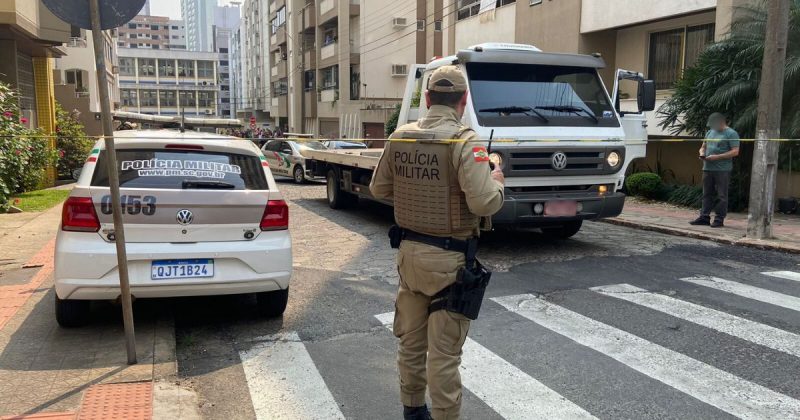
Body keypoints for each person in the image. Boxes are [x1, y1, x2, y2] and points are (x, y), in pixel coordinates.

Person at [369, 65, 505, 420]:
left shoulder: (400, 136)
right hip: (451, 263)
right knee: (443, 356)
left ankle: (413, 412)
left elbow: (378, 189)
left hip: (409, 259)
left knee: (411, 346)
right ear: (463, 101)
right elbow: (484, 203)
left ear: (427, 98)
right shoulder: (466, 141)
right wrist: (498, 181)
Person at [690, 112, 740, 228]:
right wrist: (702, 153)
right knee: (706, 194)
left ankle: (719, 219)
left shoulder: (731, 133)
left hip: (722, 169)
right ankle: (704, 217)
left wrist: (717, 157)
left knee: (721, 195)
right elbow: (703, 146)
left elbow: (735, 151)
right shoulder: (710, 132)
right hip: (707, 167)